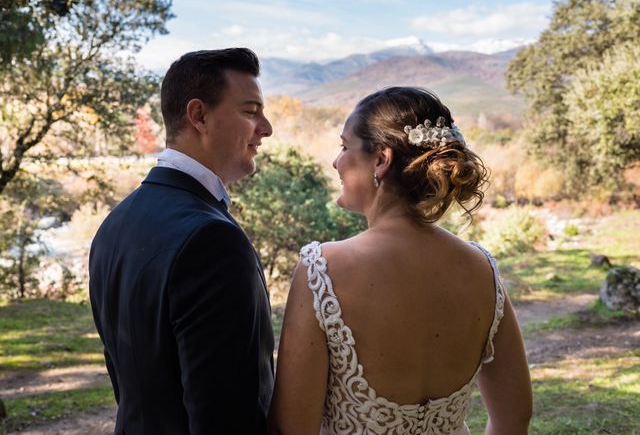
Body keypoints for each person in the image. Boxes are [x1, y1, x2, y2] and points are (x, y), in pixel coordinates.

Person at [270, 87, 532, 434]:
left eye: (345, 147)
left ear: (381, 158)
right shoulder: (481, 268)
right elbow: (514, 417)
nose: (336, 161)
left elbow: (293, 428)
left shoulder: (323, 269)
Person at [89, 48, 275, 435]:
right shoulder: (213, 241)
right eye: (250, 111)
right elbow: (227, 417)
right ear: (199, 116)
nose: (266, 128)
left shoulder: (115, 223)